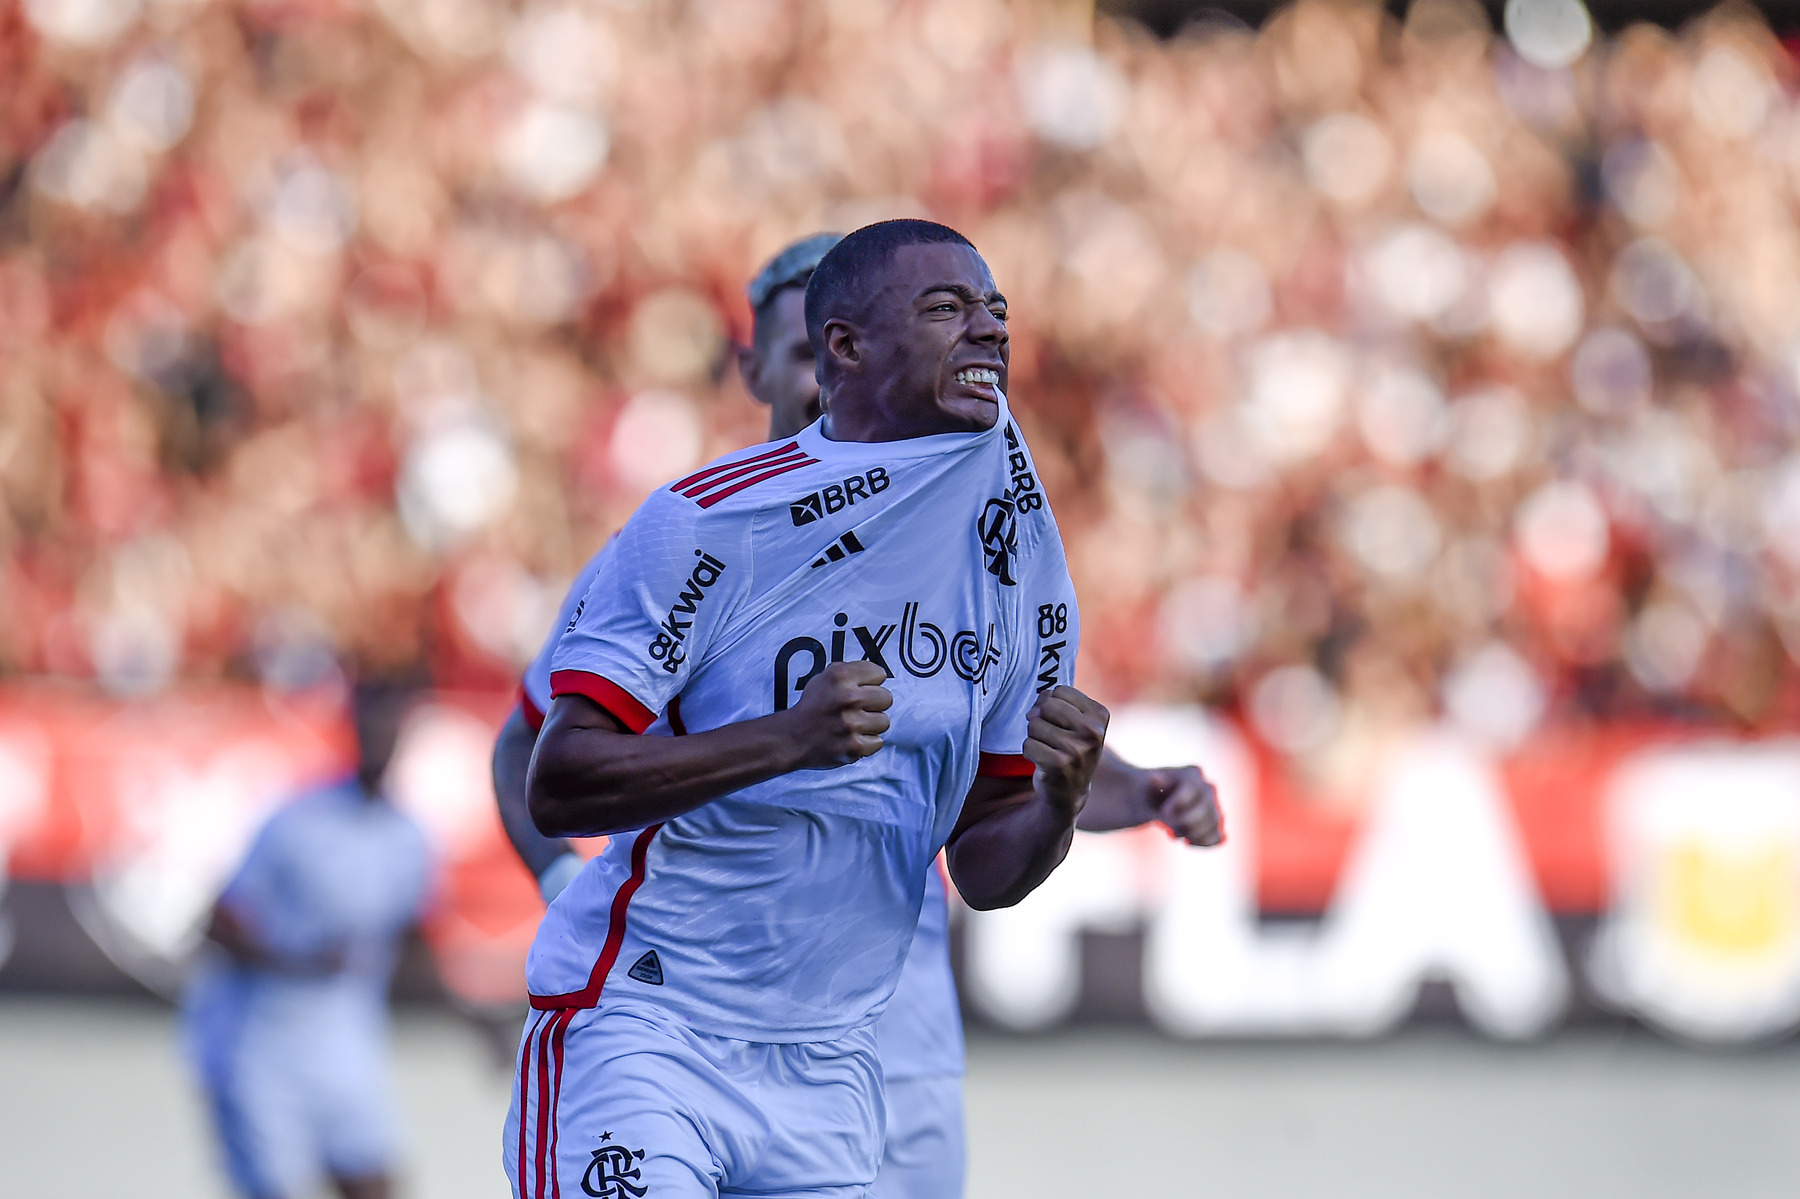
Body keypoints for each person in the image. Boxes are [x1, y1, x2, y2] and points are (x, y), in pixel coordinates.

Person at [491, 231, 1223, 1199]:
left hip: (839, 1063)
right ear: (839, 349)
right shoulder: (704, 523)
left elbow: (984, 866)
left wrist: (1060, 801)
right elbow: (555, 775)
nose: (989, 328)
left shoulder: (1018, 567)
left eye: (996, 309)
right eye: (946, 309)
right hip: (652, 1029)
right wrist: (788, 740)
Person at [182, 679, 435, 1199]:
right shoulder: (298, 820)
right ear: (352, 727)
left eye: (390, 726)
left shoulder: (410, 838)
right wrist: (297, 963)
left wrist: (473, 1016)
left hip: (347, 1041)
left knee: (374, 1183)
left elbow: (414, 937)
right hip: (262, 1046)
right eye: (370, 724)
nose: (379, 737)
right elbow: (218, 924)